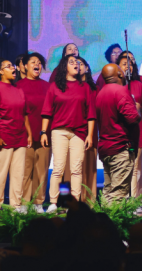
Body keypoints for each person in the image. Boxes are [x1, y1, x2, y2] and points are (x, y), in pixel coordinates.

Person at [41, 55, 96, 212]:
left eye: (78, 63)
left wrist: (90, 135)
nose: (76, 65)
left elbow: (91, 113)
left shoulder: (85, 87)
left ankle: (75, 203)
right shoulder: (55, 86)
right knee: (58, 168)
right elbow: (47, 111)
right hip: (59, 131)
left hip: (79, 132)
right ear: (64, 66)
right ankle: (53, 202)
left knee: (76, 169)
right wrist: (43, 132)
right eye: (72, 62)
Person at [95, 64, 142, 202]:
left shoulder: (100, 94)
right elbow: (132, 118)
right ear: (120, 74)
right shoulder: (121, 91)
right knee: (118, 195)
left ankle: (105, 222)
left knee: (109, 191)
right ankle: (114, 222)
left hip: (106, 148)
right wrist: (137, 107)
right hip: (120, 148)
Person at [17, 53, 50, 213]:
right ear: (25, 66)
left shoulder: (47, 86)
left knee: (41, 171)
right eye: (33, 62)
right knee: (25, 171)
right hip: (25, 135)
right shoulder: (19, 86)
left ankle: (38, 203)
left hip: (44, 135)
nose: (37, 64)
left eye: (39, 62)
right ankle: (24, 204)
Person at [117, 53, 142, 208]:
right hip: (119, 134)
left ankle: (136, 203)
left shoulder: (139, 84)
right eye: (124, 63)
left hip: (137, 133)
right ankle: (121, 204)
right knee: (122, 168)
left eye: (129, 64)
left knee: (136, 170)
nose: (127, 66)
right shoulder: (114, 85)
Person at [0, 58, 30, 212]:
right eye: (9, 66)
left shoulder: (19, 90)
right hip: (4, 137)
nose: (13, 68)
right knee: (1, 174)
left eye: (13, 66)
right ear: (1, 71)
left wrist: (29, 134)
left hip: (20, 137)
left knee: (18, 174)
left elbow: (24, 115)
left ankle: (15, 207)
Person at [77, 57, 99, 203]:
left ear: (87, 67)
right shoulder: (65, 86)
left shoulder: (94, 89)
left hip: (91, 131)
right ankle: (72, 201)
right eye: (74, 64)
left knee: (90, 167)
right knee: (72, 168)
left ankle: (89, 201)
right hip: (74, 130)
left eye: (81, 64)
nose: (78, 66)